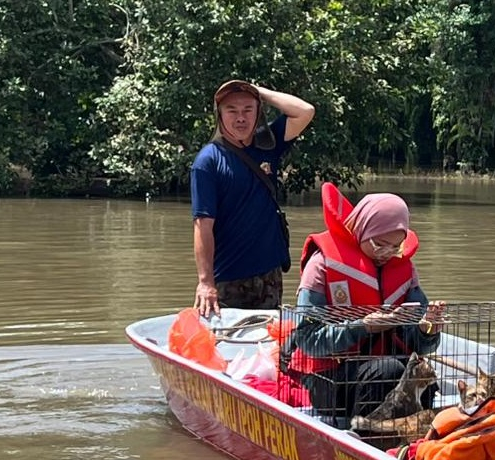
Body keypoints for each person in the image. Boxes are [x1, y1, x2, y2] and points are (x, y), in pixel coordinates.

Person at [285, 186, 445, 422]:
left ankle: (404, 437)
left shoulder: (405, 271)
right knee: (388, 370)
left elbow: (419, 346)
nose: (386, 253)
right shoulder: (320, 266)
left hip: (378, 370)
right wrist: (363, 326)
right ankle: (366, 437)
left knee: (420, 375)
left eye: (395, 246)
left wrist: (427, 331)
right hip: (328, 379)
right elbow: (308, 341)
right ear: (363, 230)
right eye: (379, 244)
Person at [190, 80, 315, 317]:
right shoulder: (207, 162)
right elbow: (202, 226)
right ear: (219, 115)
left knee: (268, 346)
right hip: (228, 278)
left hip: (269, 274)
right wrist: (205, 283)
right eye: (232, 111)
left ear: (258, 113)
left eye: (248, 110)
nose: (240, 118)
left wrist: (260, 93)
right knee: (227, 347)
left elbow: (305, 111)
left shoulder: (268, 145)